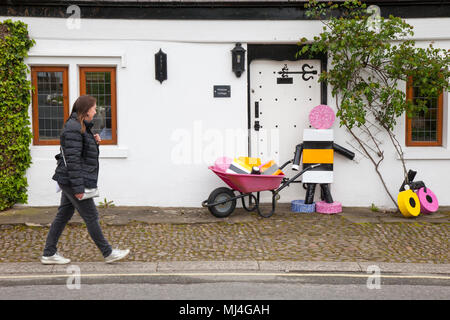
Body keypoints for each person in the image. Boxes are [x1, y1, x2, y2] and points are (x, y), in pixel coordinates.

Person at [41, 95, 130, 264]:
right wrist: (79, 188)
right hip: (71, 180)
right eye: (94, 108)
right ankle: (108, 252)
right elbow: (73, 161)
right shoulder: (74, 128)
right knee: (91, 216)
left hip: (69, 179)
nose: (96, 111)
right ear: (86, 110)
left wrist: (94, 142)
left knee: (63, 215)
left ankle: (48, 253)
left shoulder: (81, 126)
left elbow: (81, 153)